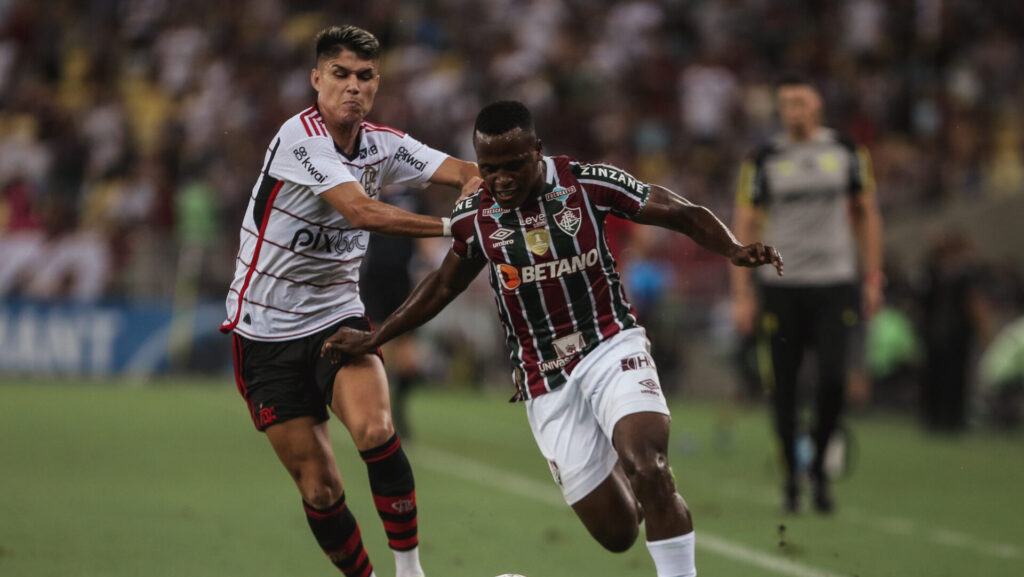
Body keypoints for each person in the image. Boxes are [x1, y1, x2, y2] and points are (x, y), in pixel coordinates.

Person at [323, 100, 783, 577]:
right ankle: (627, 462)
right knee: (618, 533)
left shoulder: (586, 181)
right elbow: (443, 285)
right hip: (544, 379)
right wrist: (376, 336)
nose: (500, 179)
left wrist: (733, 248)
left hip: (610, 345)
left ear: (537, 150)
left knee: (651, 468)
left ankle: (644, 478)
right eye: (489, 168)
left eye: (513, 165)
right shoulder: (474, 216)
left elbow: (680, 212)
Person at [219, 25, 479, 577]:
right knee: (320, 487)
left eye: (364, 77)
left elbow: (468, 172)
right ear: (317, 79)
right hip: (263, 331)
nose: (352, 87)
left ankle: (410, 571)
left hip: (337, 318)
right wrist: (454, 227)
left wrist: (482, 200)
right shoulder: (300, 139)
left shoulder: (384, 144)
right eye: (339, 75)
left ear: (377, 84)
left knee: (377, 429)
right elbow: (360, 212)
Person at [731, 73, 884, 513]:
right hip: (781, 287)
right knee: (783, 386)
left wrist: (872, 277)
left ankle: (818, 465)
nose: (794, 109)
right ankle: (792, 479)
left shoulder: (848, 153)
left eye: (801, 101)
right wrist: (742, 292)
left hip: (835, 283)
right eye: (787, 103)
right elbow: (747, 221)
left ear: (817, 105)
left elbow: (866, 214)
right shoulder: (763, 158)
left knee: (835, 379)